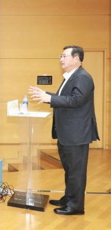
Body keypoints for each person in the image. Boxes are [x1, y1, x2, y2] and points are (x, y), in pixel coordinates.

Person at [28, 46, 99, 216]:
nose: (61, 59)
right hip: (67, 133)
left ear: (76, 58)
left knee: (76, 172)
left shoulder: (83, 77)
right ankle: (68, 199)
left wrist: (50, 98)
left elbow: (76, 100)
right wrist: (46, 95)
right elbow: (65, 98)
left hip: (77, 134)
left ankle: (75, 206)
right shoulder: (71, 77)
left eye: (64, 56)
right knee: (70, 170)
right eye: (60, 56)